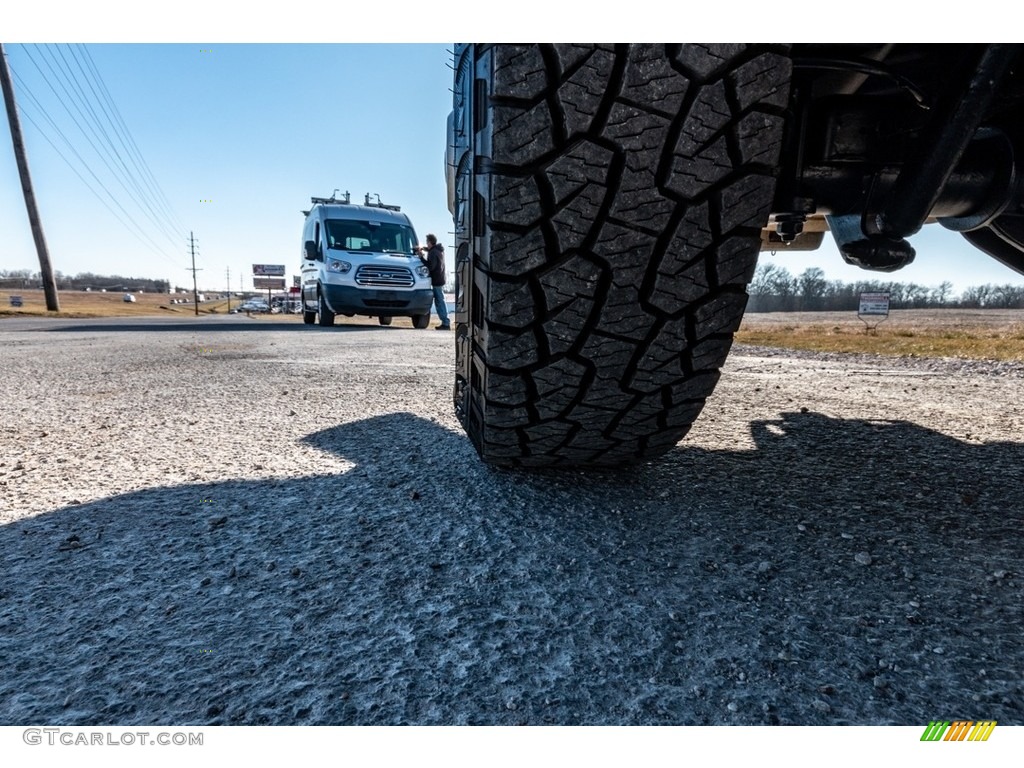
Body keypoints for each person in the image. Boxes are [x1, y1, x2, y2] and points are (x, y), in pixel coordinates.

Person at [414, 233, 450, 330]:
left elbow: (431, 266)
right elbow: (430, 250)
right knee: (440, 300)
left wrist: (421, 257)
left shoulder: (433, 253)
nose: (427, 244)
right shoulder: (438, 250)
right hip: (440, 279)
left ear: (430, 242)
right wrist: (423, 249)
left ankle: (446, 323)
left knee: (439, 302)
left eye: (427, 242)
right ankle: (445, 322)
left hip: (436, 280)